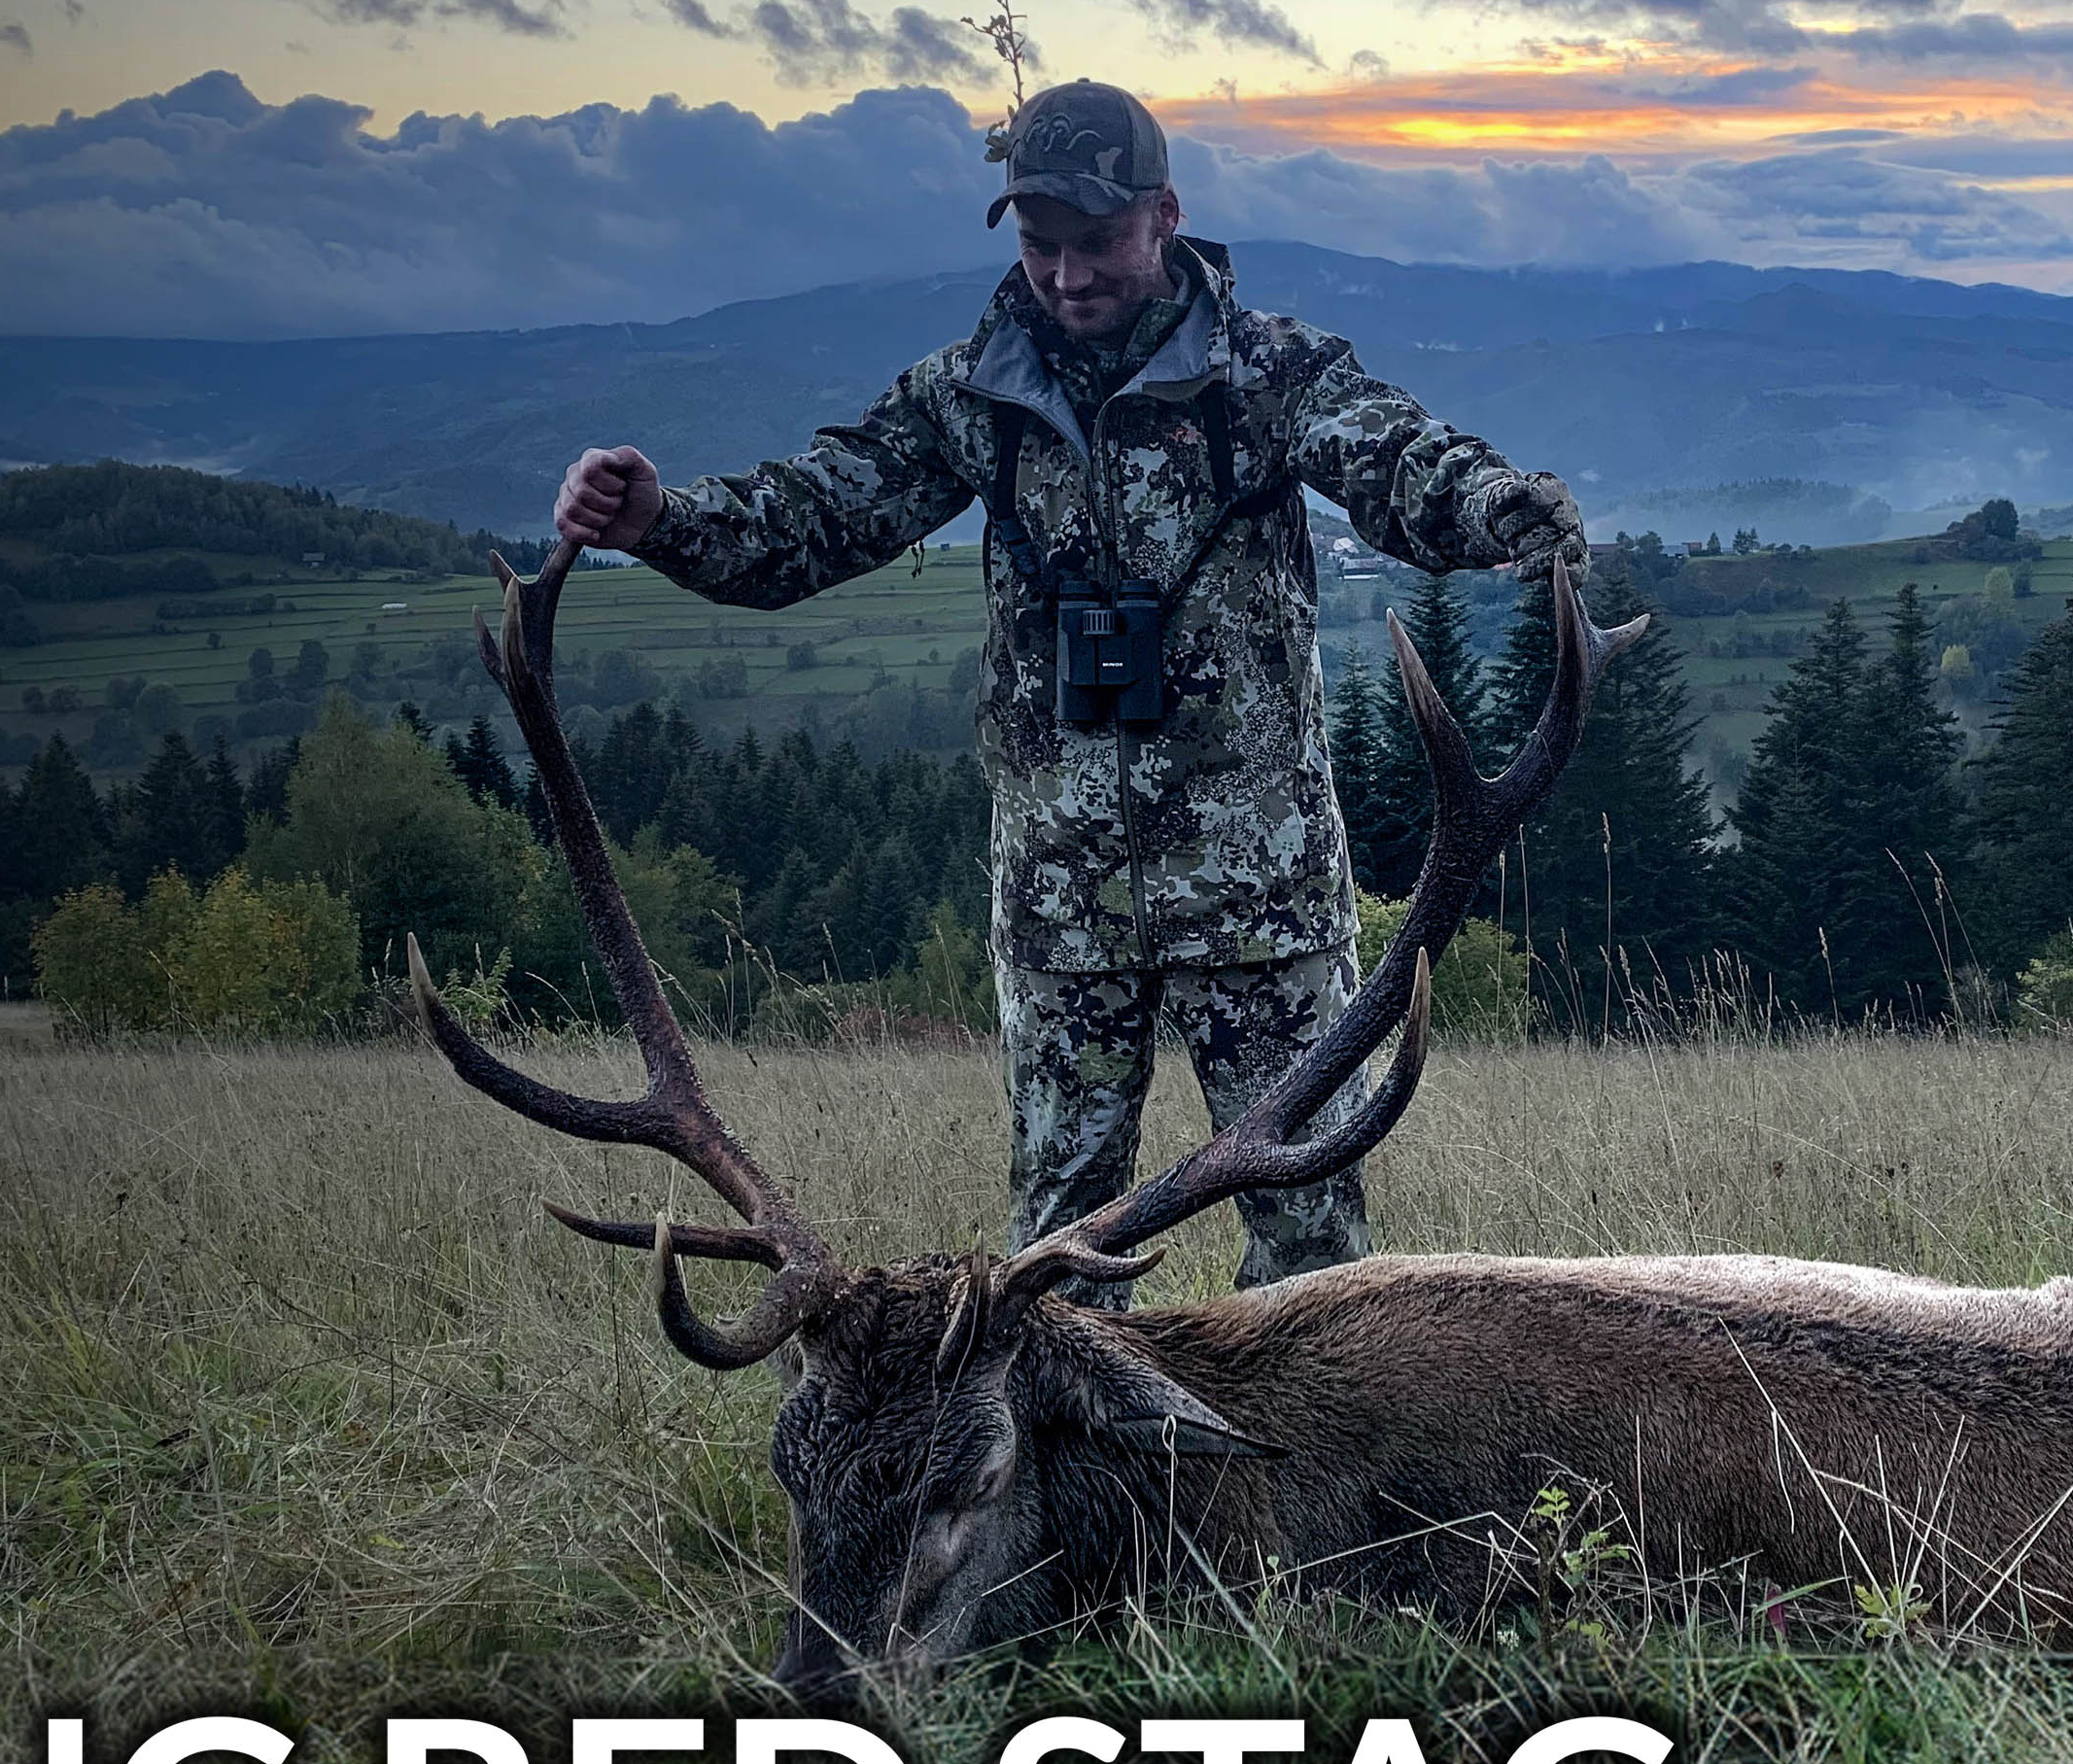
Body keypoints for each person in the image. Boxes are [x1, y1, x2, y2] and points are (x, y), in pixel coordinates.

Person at [550, 79, 1583, 1296]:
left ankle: (1309, 1488)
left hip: (1259, 897)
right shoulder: (969, 394)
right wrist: (662, 518)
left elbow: (1394, 453)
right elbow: (817, 515)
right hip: (1061, 909)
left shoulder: (1268, 373)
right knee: (1059, 1258)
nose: (1069, 276)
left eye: (1096, 243)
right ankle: (1082, 1489)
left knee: (1311, 1248)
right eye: (1043, 247)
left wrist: (1499, 509)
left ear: (1165, 217)